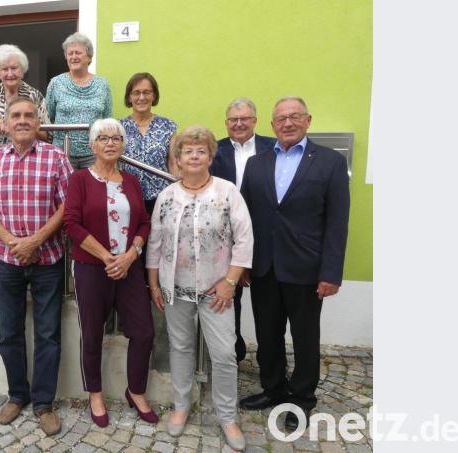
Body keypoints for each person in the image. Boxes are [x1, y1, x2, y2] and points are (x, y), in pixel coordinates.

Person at [238, 97, 350, 432]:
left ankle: (302, 398)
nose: (287, 123)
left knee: (304, 337)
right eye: (281, 118)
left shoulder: (329, 162)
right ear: (272, 125)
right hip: (264, 267)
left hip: (306, 268)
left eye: (294, 117)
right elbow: (244, 219)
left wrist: (331, 272)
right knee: (267, 334)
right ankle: (272, 388)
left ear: (307, 120)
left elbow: (337, 222)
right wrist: (242, 263)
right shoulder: (257, 164)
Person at [0, 96, 73, 436]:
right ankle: (17, 395)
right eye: (16, 115)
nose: (23, 120)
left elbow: (67, 207)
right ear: (7, 122)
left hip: (49, 259)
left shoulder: (57, 158)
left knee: (48, 334)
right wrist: (15, 242)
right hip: (7, 261)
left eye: (29, 115)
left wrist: (36, 240)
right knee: (9, 332)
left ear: (38, 122)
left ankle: (43, 403)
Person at [146, 126, 252, 450]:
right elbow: (155, 243)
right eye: (187, 151)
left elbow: (244, 239)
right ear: (177, 159)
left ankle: (227, 415)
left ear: (209, 156)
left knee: (223, 354)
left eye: (200, 150)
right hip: (175, 288)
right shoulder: (167, 196)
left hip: (216, 291)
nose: (194, 155)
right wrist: (154, 284)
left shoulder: (227, 191)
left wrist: (230, 282)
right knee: (180, 349)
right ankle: (180, 407)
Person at [64, 118, 157, 428]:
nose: (110, 143)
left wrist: (131, 254)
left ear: (122, 144)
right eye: (102, 138)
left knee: (143, 331)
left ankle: (137, 390)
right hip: (92, 267)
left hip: (129, 268)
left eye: (116, 137)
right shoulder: (79, 179)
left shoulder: (131, 181)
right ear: (92, 145)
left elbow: (144, 221)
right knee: (92, 333)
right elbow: (72, 224)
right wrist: (107, 257)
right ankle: (95, 393)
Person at [210, 97, 276, 364]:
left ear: (255, 121)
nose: (238, 124)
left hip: (264, 235)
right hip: (224, 238)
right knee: (228, 298)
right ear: (226, 123)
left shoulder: (273, 148)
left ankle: (269, 360)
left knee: (267, 303)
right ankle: (232, 355)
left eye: (244, 119)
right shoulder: (215, 149)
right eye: (233, 120)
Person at [0, 44, 52, 172]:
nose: (10, 73)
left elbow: (46, 136)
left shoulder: (34, 96)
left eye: (14, 68)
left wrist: (23, 125)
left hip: (28, 162)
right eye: (5, 69)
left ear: (22, 70)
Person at [45, 32, 113, 169]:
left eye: (78, 53)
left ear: (89, 57)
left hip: (94, 153)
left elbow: (107, 119)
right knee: (66, 190)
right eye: (70, 54)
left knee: (93, 190)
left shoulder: (103, 84)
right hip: (63, 152)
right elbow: (48, 116)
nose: (74, 57)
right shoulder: (56, 83)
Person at [119, 72, 177, 216]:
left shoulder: (168, 126)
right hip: (127, 198)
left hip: (161, 198)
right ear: (129, 97)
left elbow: (174, 163)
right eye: (136, 93)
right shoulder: (118, 128)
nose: (141, 97)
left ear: (154, 96)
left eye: (147, 92)